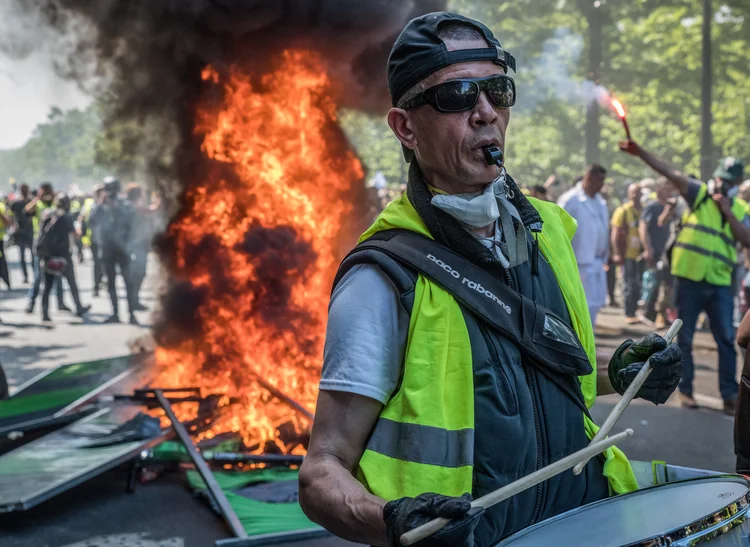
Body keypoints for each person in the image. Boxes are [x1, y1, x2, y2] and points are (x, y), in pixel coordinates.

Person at [298, 13, 683, 547]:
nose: (485, 113)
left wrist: (620, 373)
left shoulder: (547, 232)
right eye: (456, 95)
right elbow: (321, 472)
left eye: (498, 90)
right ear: (405, 127)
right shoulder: (383, 278)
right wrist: (391, 521)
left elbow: (531, 373)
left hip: (585, 526)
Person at [623, 143, 750, 414]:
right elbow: (671, 172)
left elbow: (747, 239)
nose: (723, 185)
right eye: (721, 179)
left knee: (726, 340)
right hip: (689, 282)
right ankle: (687, 391)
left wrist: (727, 210)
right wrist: (641, 152)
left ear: (737, 184)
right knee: (686, 339)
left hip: (720, 284)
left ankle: (729, 396)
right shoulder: (699, 195)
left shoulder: (739, 208)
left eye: (730, 182)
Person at [558, 164, 610, 327]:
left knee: (594, 305)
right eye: (599, 180)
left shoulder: (600, 202)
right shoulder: (571, 199)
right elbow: (558, 230)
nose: (602, 184)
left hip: (596, 261)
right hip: (577, 262)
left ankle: (590, 340)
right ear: (588, 178)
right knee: (579, 307)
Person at [89, 177, 138, 324]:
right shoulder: (100, 205)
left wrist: (114, 206)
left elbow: (130, 219)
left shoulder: (124, 203)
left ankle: (131, 314)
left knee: (128, 282)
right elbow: (91, 221)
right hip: (107, 248)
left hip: (122, 248)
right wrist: (100, 204)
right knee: (111, 283)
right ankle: (115, 313)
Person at [36, 194, 90, 322]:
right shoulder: (66, 217)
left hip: (48, 255)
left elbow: (40, 232)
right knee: (72, 283)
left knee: (47, 286)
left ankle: (44, 313)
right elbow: (76, 235)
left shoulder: (47, 214)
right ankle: (79, 307)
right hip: (63, 256)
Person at [639, 178, 677, 326]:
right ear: (659, 189)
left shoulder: (673, 208)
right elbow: (643, 228)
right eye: (667, 188)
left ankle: (662, 314)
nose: (670, 192)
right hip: (655, 250)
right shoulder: (652, 206)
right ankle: (648, 312)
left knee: (666, 284)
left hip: (667, 252)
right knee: (653, 283)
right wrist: (648, 249)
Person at [25, 183, 65, 313]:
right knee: (38, 277)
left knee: (57, 274)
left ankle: (60, 302)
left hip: (54, 245)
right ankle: (31, 302)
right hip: (41, 244)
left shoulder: (55, 204)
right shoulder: (38, 204)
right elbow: (27, 210)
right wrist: (37, 198)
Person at [610, 183, 643, 324]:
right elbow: (615, 233)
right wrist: (617, 253)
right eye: (633, 192)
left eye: (638, 192)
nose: (636, 195)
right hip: (628, 254)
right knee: (629, 284)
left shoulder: (643, 211)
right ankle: (629, 313)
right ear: (629, 194)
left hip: (640, 255)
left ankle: (635, 311)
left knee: (638, 284)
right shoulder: (622, 211)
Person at [125, 183, 155, 311]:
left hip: (139, 245)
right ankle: (133, 301)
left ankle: (134, 300)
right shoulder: (132, 207)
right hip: (136, 246)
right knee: (137, 273)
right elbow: (150, 210)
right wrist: (160, 201)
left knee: (139, 274)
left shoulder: (132, 206)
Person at [9, 184, 34, 283]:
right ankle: (26, 276)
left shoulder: (31, 202)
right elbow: (11, 215)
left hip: (30, 231)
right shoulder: (16, 203)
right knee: (22, 255)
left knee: (33, 255)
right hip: (20, 232)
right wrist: (13, 225)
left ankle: (35, 275)